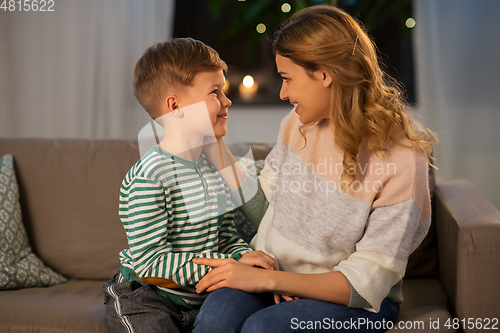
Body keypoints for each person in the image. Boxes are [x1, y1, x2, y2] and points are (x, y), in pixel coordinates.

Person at [193, 5, 437, 333]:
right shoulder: (297, 125)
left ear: (324, 74)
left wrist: (269, 279)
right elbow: (266, 207)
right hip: (276, 275)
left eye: (287, 79)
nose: (283, 93)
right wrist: (212, 144)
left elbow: (366, 283)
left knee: (263, 328)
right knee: (215, 320)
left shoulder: (401, 158)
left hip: (355, 301)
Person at [102, 38, 278, 333]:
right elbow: (152, 263)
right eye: (215, 92)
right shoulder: (150, 176)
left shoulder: (213, 170)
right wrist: (227, 263)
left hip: (198, 296)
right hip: (147, 294)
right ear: (175, 106)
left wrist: (241, 255)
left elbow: (226, 236)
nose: (227, 101)